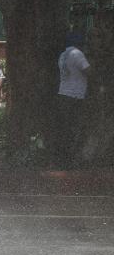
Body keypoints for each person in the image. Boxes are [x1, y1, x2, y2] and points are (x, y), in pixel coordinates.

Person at [54, 32, 91, 169]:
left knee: (66, 128)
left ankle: (63, 158)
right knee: (76, 127)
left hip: (63, 93)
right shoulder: (77, 53)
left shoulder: (63, 55)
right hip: (76, 96)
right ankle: (73, 159)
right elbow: (88, 71)